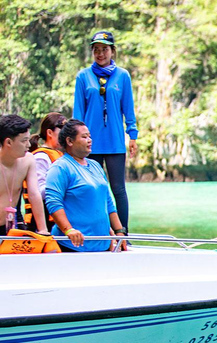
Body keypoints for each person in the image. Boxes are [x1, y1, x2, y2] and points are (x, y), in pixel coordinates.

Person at [73, 30, 138, 232]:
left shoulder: (122, 76)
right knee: (93, 189)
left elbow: (128, 108)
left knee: (118, 189)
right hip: (89, 144)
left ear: (112, 51)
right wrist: (75, 139)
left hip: (115, 141)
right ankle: (98, 230)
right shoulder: (83, 76)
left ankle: (123, 232)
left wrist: (132, 136)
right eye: (96, 50)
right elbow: (78, 112)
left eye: (104, 49)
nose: (100, 54)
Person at [45, 119, 127, 252]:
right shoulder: (61, 167)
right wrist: (69, 230)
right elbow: (53, 202)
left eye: (89, 136)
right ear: (70, 141)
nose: (89, 140)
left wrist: (119, 231)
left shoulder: (95, 166)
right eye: (84, 137)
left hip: (102, 244)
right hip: (72, 245)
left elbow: (108, 202)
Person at [0, 114, 47, 236]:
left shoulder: (28, 160)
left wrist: (43, 230)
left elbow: (34, 194)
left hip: (9, 226)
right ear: (8, 142)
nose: (29, 145)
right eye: (24, 141)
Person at [24, 112, 66, 231]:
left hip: (57, 219)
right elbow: (38, 192)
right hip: (43, 222)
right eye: (62, 129)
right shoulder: (41, 157)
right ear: (49, 132)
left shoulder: (61, 155)